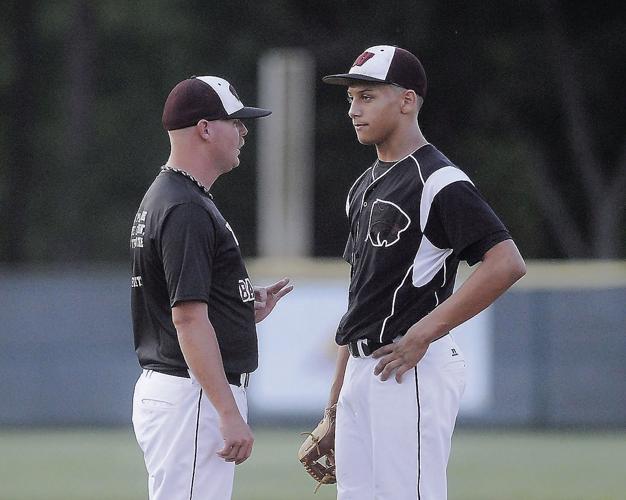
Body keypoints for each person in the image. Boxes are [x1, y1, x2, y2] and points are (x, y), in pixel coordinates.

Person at [321, 45, 526, 500]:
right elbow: (360, 297)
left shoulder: (439, 179)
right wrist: (336, 399)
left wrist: (422, 334)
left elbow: (506, 262)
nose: (353, 109)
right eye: (351, 97)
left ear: (407, 100)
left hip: (407, 367)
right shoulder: (363, 185)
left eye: (367, 96)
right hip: (363, 369)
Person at [130, 75, 293, 500]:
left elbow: (177, 302)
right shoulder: (185, 206)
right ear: (204, 128)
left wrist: (238, 305)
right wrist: (227, 410)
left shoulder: (172, 196)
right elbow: (186, 317)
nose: (243, 131)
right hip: (191, 394)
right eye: (234, 121)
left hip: (182, 390)